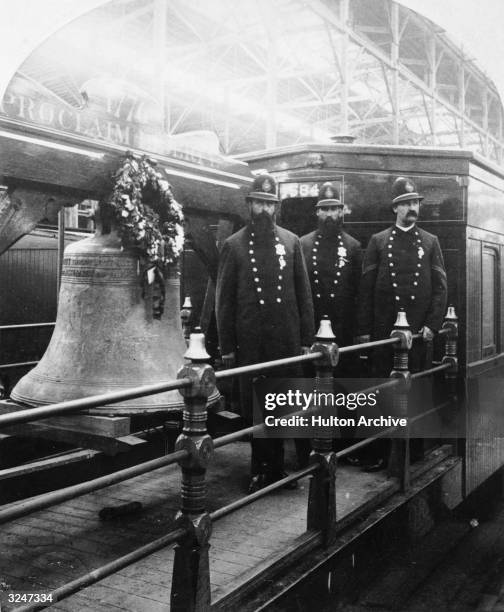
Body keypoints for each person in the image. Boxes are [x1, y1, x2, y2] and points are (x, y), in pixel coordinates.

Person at [215, 173, 315, 493]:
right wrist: (228, 346)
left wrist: (304, 339)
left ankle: (277, 470)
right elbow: (224, 302)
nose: (263, 210)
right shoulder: (234, 245)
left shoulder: (291, 241)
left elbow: (303, 294)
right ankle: (261, 470)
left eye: (269, 204)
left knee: (283, 402)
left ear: (276, 208)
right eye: (258, 202)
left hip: (284, 339)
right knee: (257, 407)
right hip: (252, 341)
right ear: (249, 205)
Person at [356, 176, 448, 471]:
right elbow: (366, 289)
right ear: (395, 208)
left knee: (416, 390)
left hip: (418, 335)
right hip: (386, 335)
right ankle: (378, 454)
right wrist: (364, 332)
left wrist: (432, 326)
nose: (412, 208)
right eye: (406, 204)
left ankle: (413, 454)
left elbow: (440, 288)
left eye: (415, 203)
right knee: (381, 391)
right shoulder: (379, 242)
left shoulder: (430, 242)